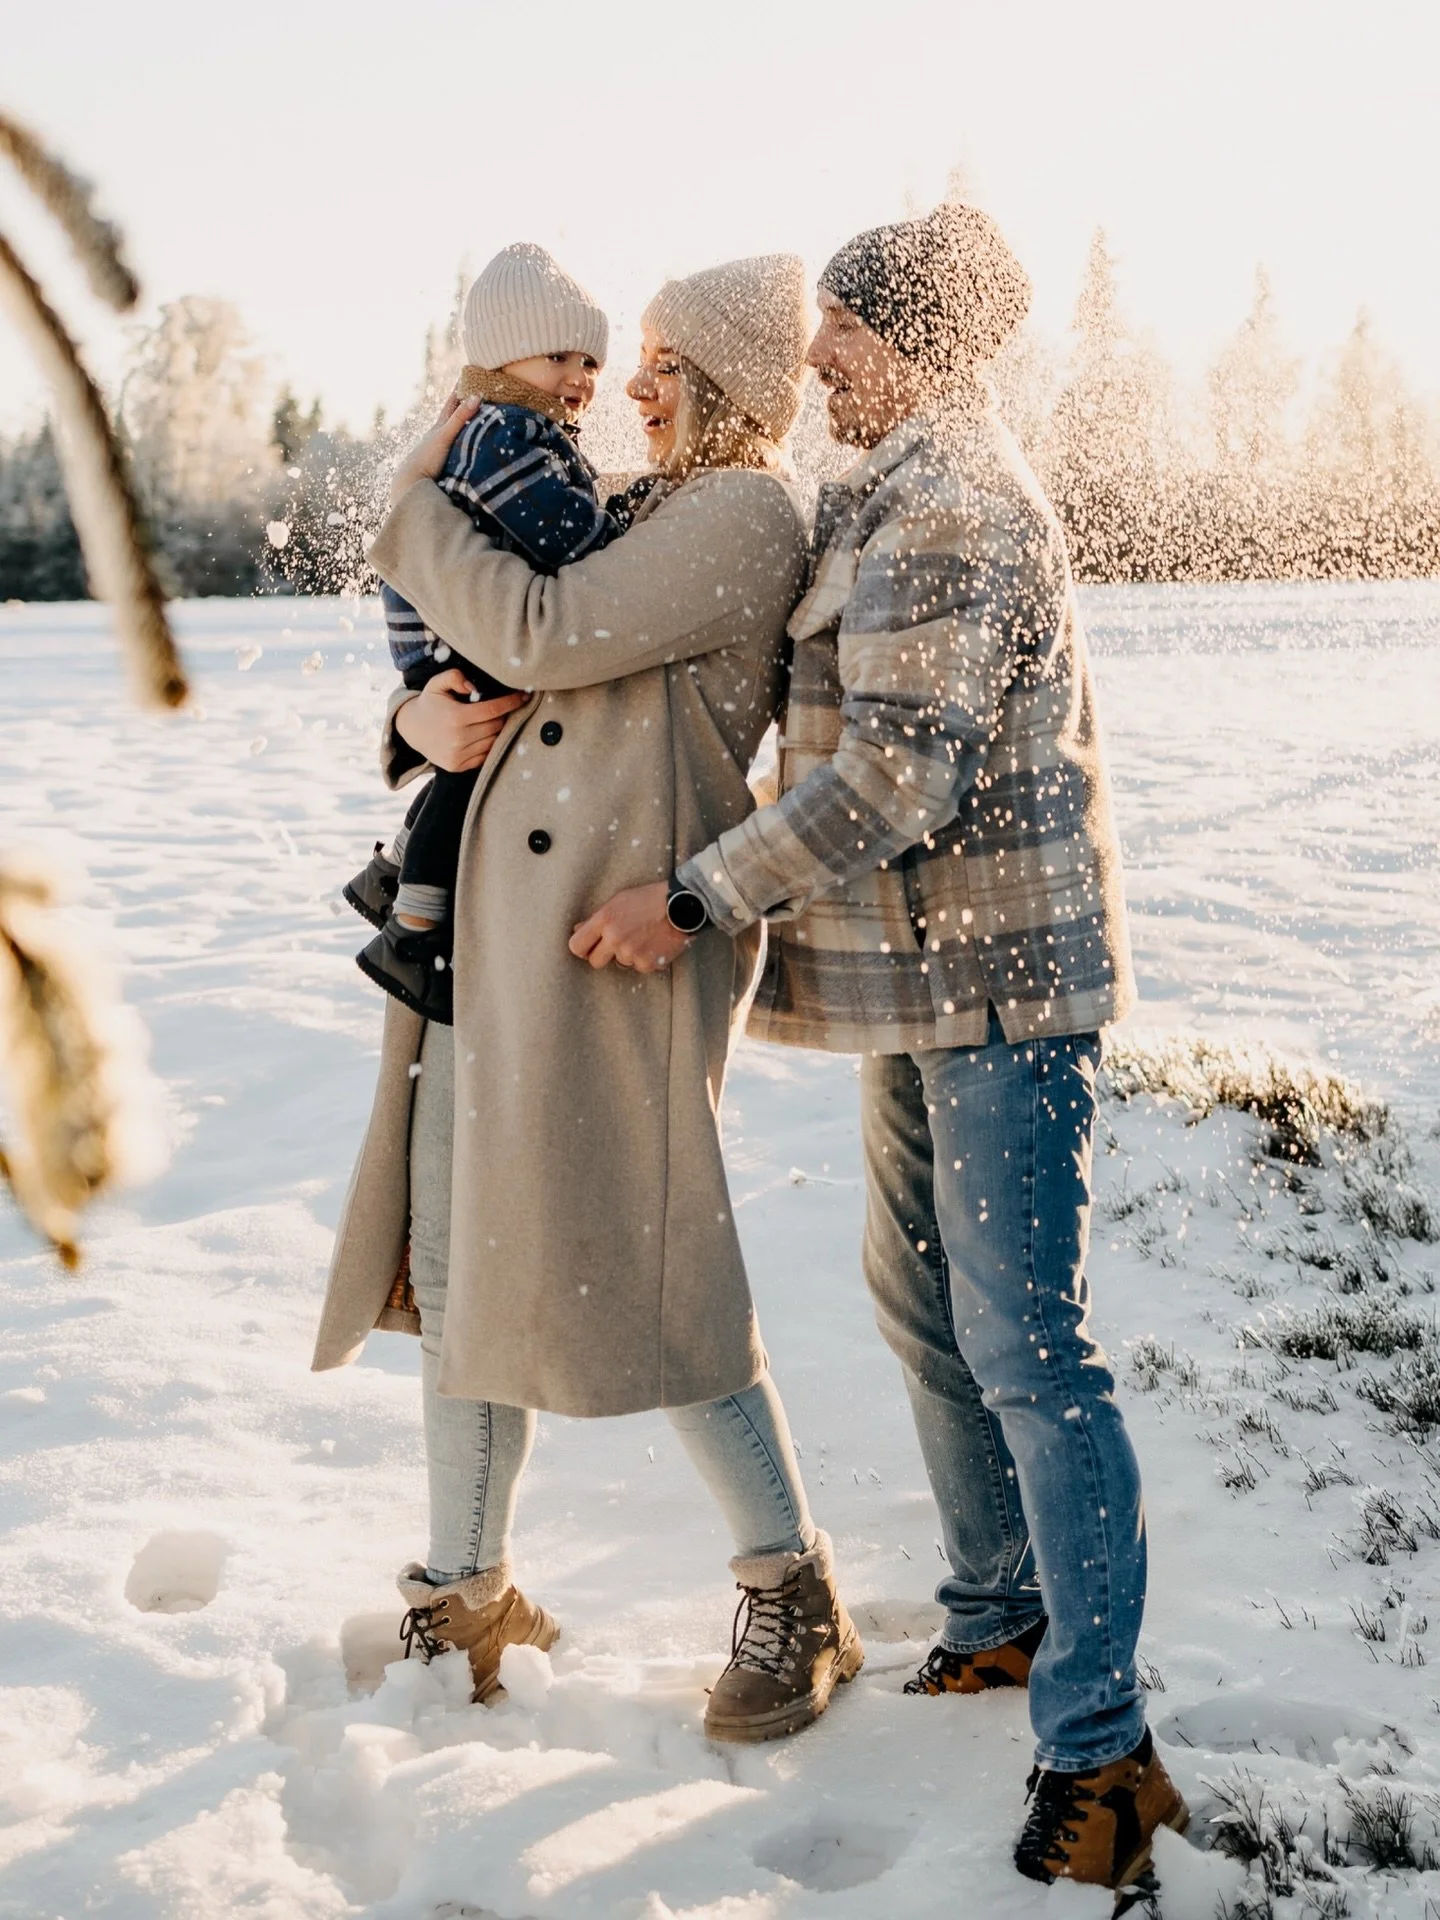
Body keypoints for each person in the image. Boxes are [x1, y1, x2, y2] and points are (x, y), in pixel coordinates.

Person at [579, 204, 1190, 1893]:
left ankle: (1103, 1754)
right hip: (923, 990)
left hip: (1001, 991)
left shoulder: (955, 505)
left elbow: (895, 779)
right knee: (925, 1311)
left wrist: (692, 897)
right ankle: (999, 1615)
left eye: (844, 331)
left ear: (911, 342)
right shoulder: (878, 489)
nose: (820, 359)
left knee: (1028, 1349)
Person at [314, 255, 864, 1742]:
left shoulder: (745, 514)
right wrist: (412, 714)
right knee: (464, 1256)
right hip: (499, 938)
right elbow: (496, 653)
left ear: (732, 380)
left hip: (623, 953)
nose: (633, 385)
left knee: (661, 1265)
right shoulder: (650, 506)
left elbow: (546, 633)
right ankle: (464, 1592)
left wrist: (408, 503)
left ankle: (795, 1585)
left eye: (667, 361)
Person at [344, 243, 625, 1023]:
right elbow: (560, 534)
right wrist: (618, 534)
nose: (580, 376)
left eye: (591, 361)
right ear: (503, 356)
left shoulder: (516, 427)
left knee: (465, 765)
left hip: (450, 629)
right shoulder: (504, 432)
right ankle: (415, 930)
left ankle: (394, 875)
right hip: (451, 636)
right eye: (558, 356)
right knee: (471, 773)